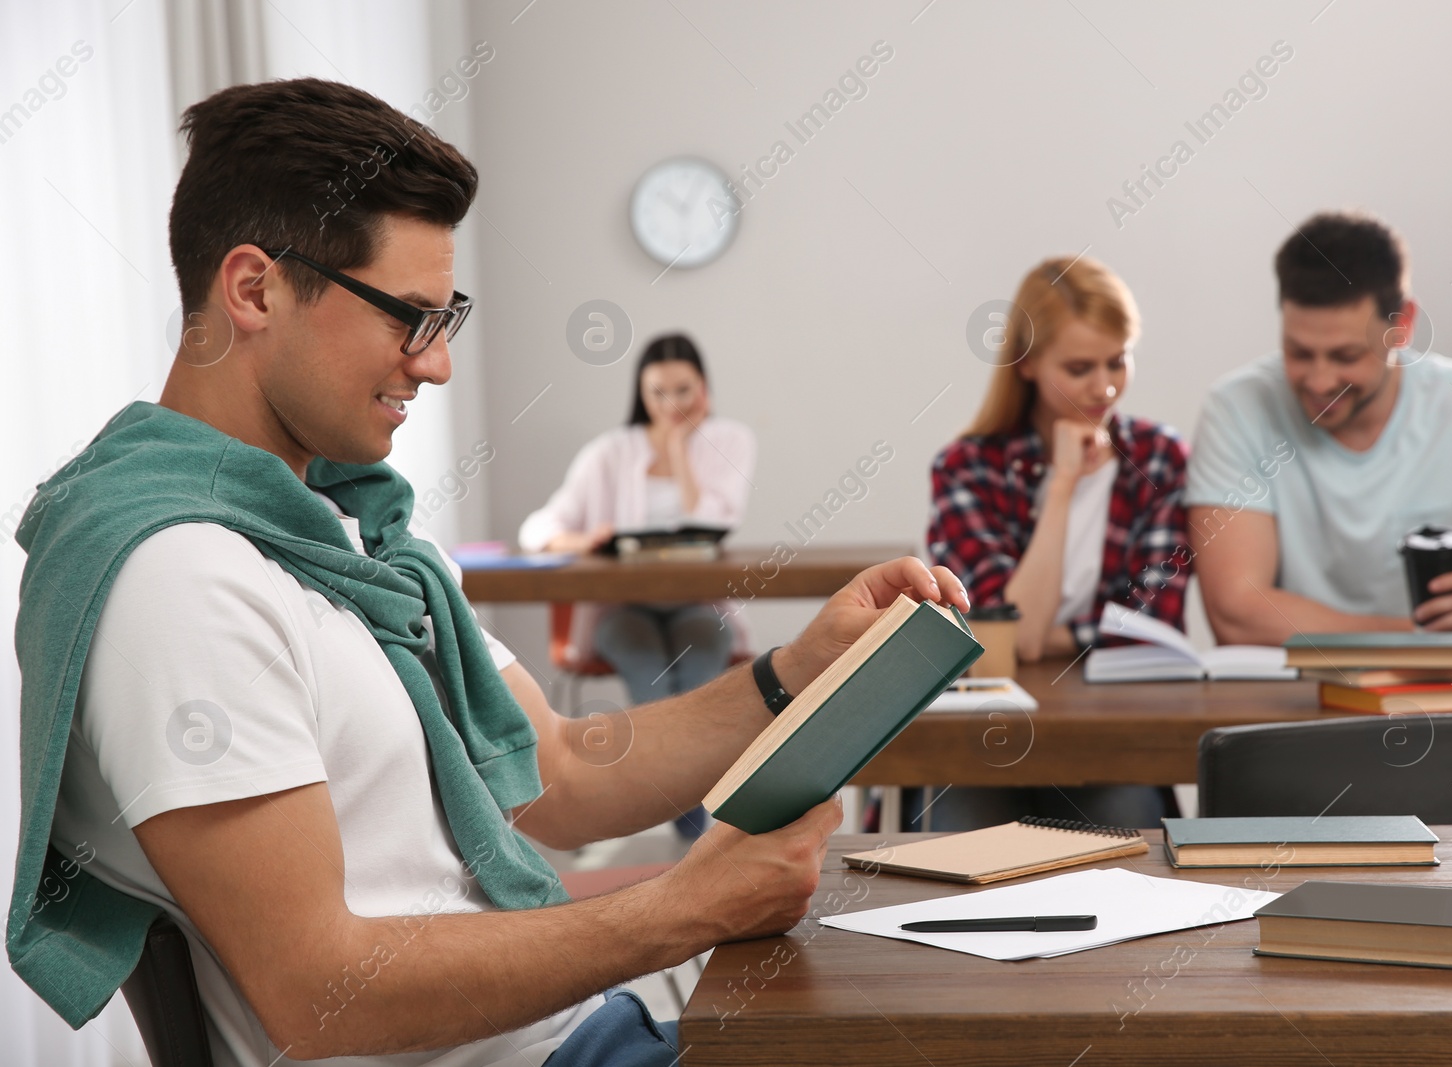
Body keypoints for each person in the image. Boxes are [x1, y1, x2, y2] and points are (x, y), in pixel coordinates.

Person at [7, 78, 969, 1067]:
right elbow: (317, 991)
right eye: (407, 316)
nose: (436, 365)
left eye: (445, 317)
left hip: (579, 1032)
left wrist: (794, 672)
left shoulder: (353, 536)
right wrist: (685, 906)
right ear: (254, 290)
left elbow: (557, 770)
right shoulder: (181, 580)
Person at [1187, 210, 1452, 663]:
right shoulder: (1237, 407)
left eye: (1346, 355)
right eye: (1299, 353)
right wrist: (1429, 636)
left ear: (1402, 325)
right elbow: (1238, 614)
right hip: (1296, 707)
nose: (1321, 381)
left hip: (1445, 704)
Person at [925, 255, 1190, 830]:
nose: (1106, 386)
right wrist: (1064, 486)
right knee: (962, 833)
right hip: (981, 737)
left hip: (1108, 735)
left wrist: (1047, 636)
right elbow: (1004, 635)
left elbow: (1155, 628)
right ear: (1026, 364)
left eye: (1118, 360)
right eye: (1079, 368)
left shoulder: (1159, 459)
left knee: (1126, 826)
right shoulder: (965, 468)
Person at [519, 334, 755, 835]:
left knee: (697, 692)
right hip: (621, 611)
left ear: (705, 389)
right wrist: (584, 540)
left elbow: (716, 518)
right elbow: (536, 529)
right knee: (655, 693)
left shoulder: (730, 439)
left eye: (684, 391)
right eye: (658, 393)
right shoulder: (609, 452)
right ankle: (697, 834)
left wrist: (676, 445)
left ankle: (688, 831)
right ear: (640, 393)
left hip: (700, 606)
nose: (671, 404)